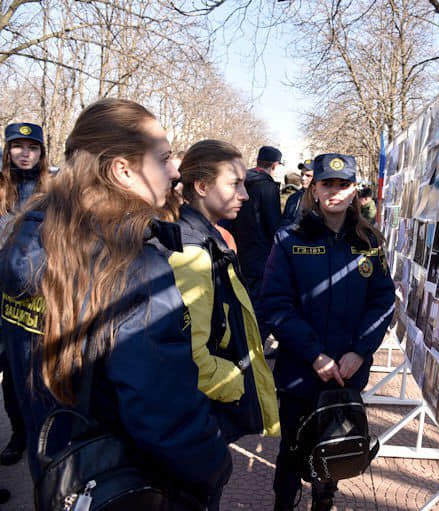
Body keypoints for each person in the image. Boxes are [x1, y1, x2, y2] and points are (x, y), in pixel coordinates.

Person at [0, 99, 232, 507]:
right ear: (122, 170)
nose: (176, 170)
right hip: (129, 485)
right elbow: (163, 416)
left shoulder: (26, 239)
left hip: (63, 480)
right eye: (162, 158)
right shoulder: (133, 267)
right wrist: (215, 466)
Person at [258, 153, 395, 511]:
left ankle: (324, 503)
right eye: (327, 184)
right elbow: (275, 304)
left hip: (346, 375)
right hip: (300, 373)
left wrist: (360, 350)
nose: (335, 191)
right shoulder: (289, 240)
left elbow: (383, 301)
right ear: (314, 189)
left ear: (354, 192)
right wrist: (313, 353)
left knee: (337, 450)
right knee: (290, 455)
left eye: (343, 184)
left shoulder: (370, 243)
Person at [169, 139, 279, 443]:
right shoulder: (192, 252)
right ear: (202, 187)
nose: (244, 194)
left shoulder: (205, 238)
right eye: (235, 184)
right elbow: (190, 357)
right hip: (199, 415)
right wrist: (239, 385)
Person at [0, 122, 51, 468]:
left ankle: (41, 434)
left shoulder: (54, 190)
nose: (25, 153)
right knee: (9, 368)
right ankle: (19, 434)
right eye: (18, 147)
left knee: (37, 368)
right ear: (7, 151)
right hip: (2, 292)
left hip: (38, 292)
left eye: (32, 147)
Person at [230, 145, 283, 305]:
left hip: (238, 249)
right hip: (261, 255)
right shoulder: (268, 187)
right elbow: (273, 225)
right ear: (275, 165)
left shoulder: (240, 182)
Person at [282, 160, 313, 226]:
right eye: (302, 174)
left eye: (308, 175)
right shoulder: (293, 198)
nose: (303, 178)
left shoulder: (322, 199)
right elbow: (285, 221)